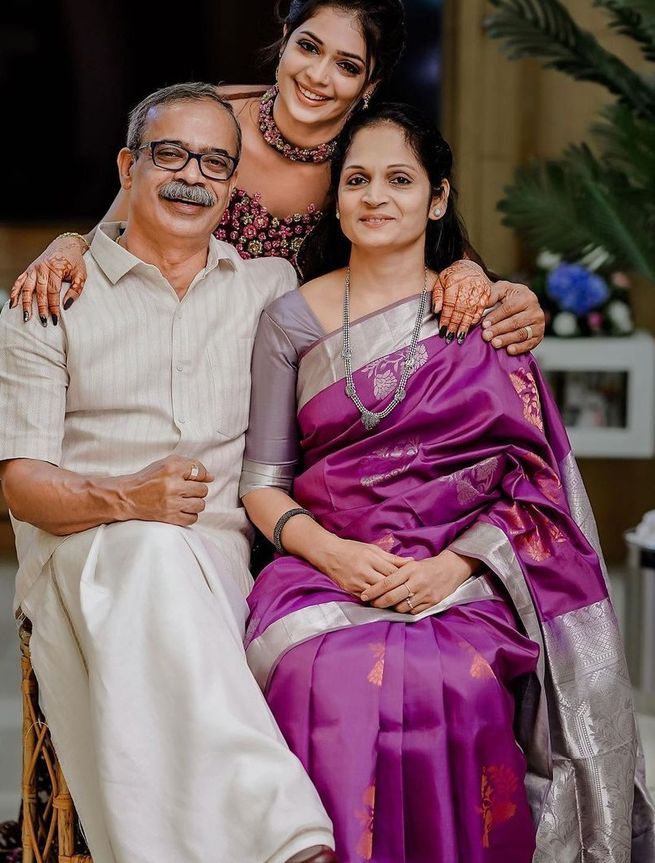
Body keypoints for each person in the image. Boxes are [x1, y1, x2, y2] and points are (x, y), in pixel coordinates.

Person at [239, 102, 655, 863]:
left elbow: (533, 490)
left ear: (436, 198)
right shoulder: (289, 321)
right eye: (357, 178)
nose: (374, 196)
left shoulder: (483, 315)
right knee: (325, 675)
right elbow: (263, 485)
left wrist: (454, 565)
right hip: (323, 572)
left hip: (460, 573)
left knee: (453, 680)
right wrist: (335, 557)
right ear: (336, 195)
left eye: (399, 179)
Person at [0, 83, 338, 863]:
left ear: (232, 184)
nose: (192, 175)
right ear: (128, 165)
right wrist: (129, 499)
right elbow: (23, 485)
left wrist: (484, 287)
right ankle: (284, 834)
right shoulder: (50, 298)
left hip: (219, 566)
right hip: (81, 558)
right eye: (170, 153)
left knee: (166, 564)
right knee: (146, 547)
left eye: (215, 162)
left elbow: (388, 300)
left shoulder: (268, 287)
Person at [7, 0, 545, 356]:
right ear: (285, 38)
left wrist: (495, 289)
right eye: (309, 47)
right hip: (177, 353)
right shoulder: (209, 119)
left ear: (370, 84)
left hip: (306, 377)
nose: (317, 76)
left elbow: (439, 249)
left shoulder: (368, 158)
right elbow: (116, 228)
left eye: (347, 65)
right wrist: (68, 245)